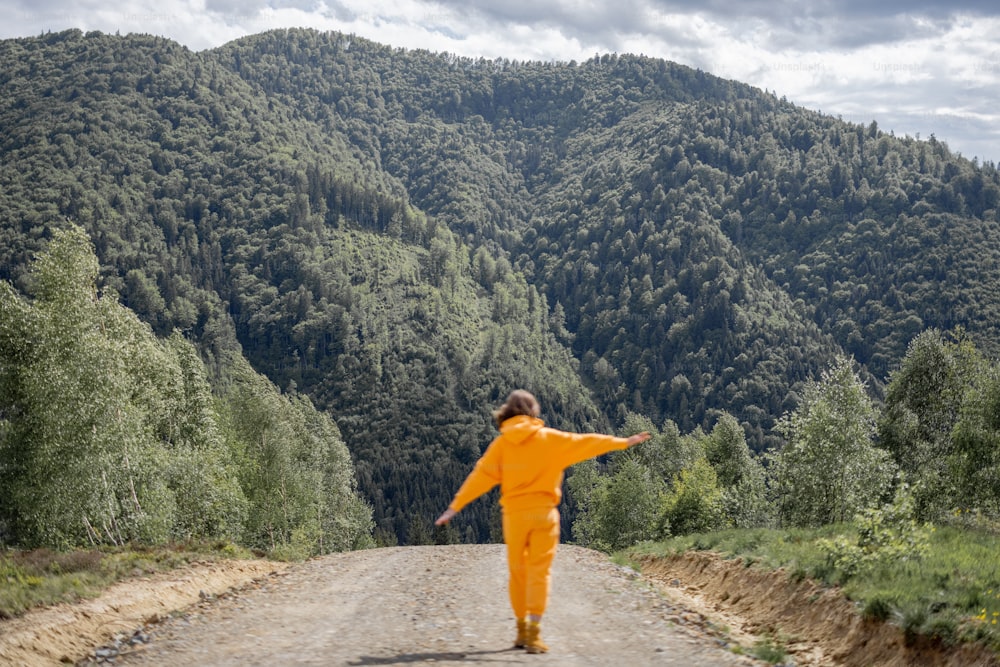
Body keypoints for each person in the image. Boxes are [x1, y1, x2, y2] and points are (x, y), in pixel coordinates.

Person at [435, 389, 651, 654]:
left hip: (514, 516)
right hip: (544, 515)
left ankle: (521, 629)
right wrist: (624, 442)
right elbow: (587, 442)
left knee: (518, 572)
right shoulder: (550, 439)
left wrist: (453, 508)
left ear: (508, 412)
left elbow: (479, 478)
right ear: (533, 411)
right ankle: (534, 635)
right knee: (539, 572)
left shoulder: (501, 445)